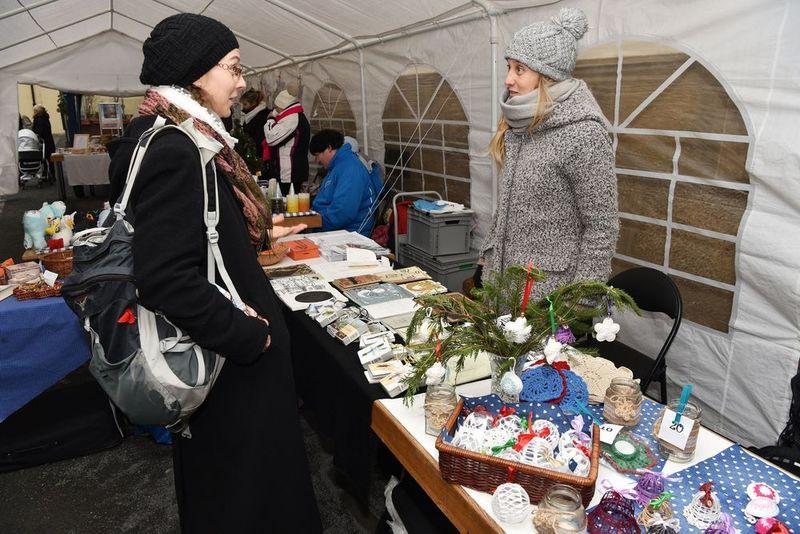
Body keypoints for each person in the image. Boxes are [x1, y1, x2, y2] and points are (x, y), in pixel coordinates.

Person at [106, 13, 320, 533]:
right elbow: (165, 277)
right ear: (197, 73)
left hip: (227, 359)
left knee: (229, 489)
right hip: (229, 367)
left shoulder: (171, 136)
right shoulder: (176, 149)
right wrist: (249, 337)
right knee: (246, 498)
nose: (242, 82)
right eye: (233, 67)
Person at [478, 7, 618, 299]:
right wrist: (487, 264)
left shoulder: (583, 133)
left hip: (549, 297)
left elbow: (601, 227)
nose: (508, 79)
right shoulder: (519, 122)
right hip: (503, 287)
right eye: (509, 67)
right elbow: (508, 208)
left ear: (547, 76)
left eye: (520, 69)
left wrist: (578, 303)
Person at [310, 129, 383, 236]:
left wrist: (312, 222)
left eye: (317, 155)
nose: (317, 160)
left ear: (329, 148)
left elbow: (342, 213)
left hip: (349, 234)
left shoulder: (350, 169)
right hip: (332, 229)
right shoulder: (337, 166)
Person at [264, 87, 310, 194]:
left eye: (277, 107)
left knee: (289, 202)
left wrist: (270, 120)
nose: (275, 110)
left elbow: (271, 138)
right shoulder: (294, 115)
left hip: (290, 171)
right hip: (290, 170)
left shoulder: (291, 118)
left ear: (282, 106)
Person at [32, 105, 55, 178]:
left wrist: (37, 137)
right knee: (50, 159)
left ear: (37, 111)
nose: (34, 112)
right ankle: (52, 174)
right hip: (49, 140)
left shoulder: (38, 119)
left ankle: (45, 174)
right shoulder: (45, 117)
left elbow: (38, 131)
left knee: (43, 159)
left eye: (35, 111)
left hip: (43, 142)